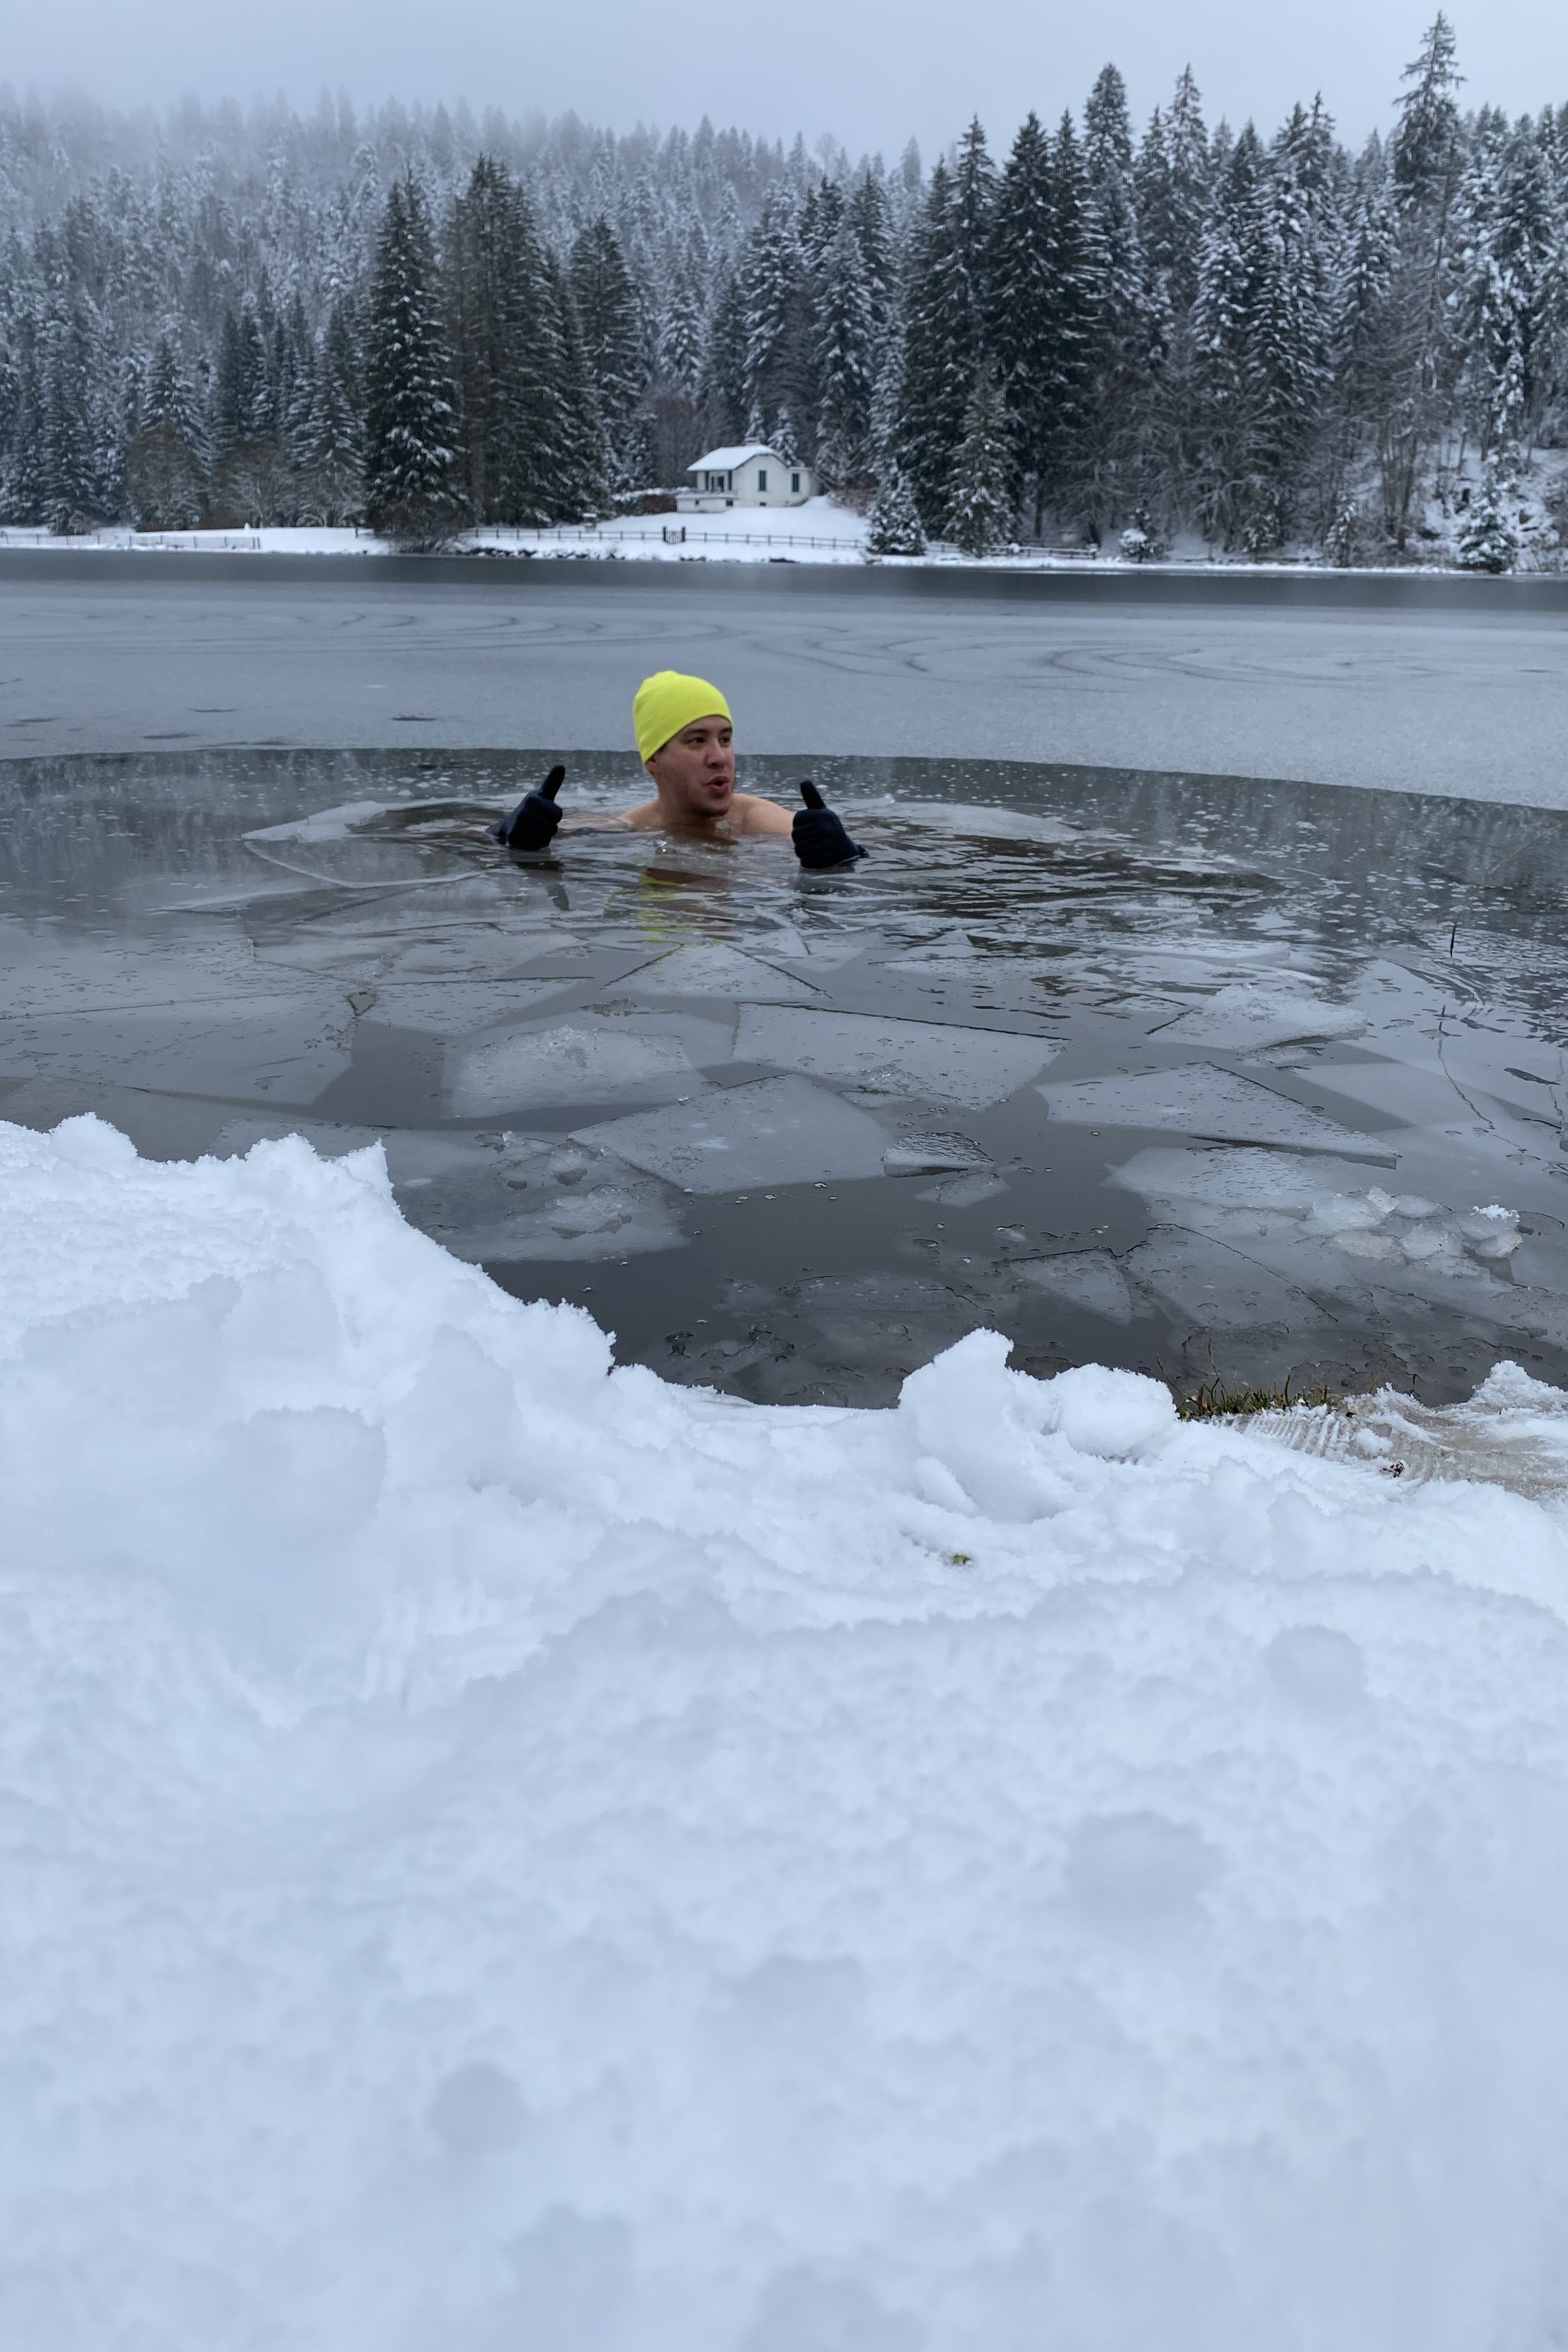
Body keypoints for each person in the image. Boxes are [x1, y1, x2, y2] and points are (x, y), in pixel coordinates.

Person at [488, 670, 866, 870]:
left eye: (726, 739)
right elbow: (468, 835)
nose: (720, 757)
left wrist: (849, 854)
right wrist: (507, 831)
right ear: (654, 760)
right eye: (697, 741)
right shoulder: (630, 829)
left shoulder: (758, 821)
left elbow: (864, 859)